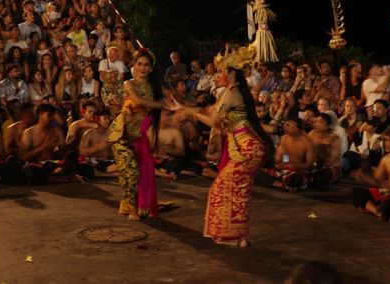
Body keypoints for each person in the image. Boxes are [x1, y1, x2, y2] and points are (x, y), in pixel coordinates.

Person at [172, 57, 272, 247]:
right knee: (237, 190)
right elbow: (210, 112)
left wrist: (187, 110)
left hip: (247, 148)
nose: (218, 75)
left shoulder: (231, 94)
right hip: (246, 148)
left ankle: (232, 236)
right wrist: (185, 108)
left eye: (222, 71)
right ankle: (239, 237)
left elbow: (213, 121)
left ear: (232, 74)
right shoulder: (230, 93)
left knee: (222, 189)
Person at [108, 49, 170, 219]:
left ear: (151, 68)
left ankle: (140, 204)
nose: (142, 67)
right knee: (130, 171)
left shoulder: (155, 86)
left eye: (146, 65)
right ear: (133, 66)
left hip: (138, 134)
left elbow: (172, 96)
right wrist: (163, 105)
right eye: (139, 64)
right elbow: (138, 101)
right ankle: (132, 208)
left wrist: (185, 105)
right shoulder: (129, 84)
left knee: (146, 171)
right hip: (121, 134)